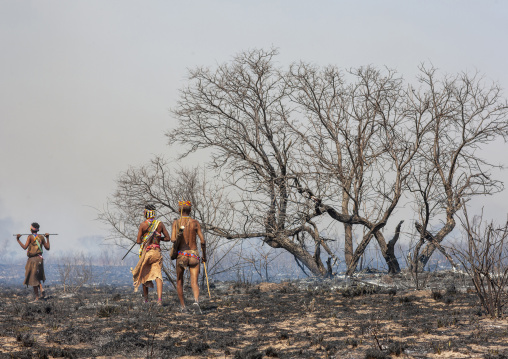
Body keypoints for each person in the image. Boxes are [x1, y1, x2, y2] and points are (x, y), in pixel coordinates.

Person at [171, 200, 206, 312]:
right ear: (190, 210)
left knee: (179, 281)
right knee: (194, 282)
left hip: (182, 255)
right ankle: (196, 301)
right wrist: (204, 255)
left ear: (179, 210)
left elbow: (172, 239)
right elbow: (203, 241)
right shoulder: (195, 223)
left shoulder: (176, 223)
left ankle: (183, 307)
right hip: (194, 255)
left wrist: (178, 236)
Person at [131, 204, 170, 304]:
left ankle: (146, 300)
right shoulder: (160, 224)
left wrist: (144, 239)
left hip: (147, 253)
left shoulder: (143, 225)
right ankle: (159, 300)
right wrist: (158, 237)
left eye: (144, 212)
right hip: (157, 253)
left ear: (147, 213)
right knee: (158, 276)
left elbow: (138, 241)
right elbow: (167, 238)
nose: (143, 213)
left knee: (144, 275)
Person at [16, 223, 50, 300]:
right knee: (36, 277)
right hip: (40, 259)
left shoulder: (30, 237)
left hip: (32, 260)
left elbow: (25, 247)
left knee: (33, 278)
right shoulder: (41, 237)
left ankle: (39, 292)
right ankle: (38, 296)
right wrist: (47, 238)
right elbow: (48, 247)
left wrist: (18, 240)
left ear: (31, 229)